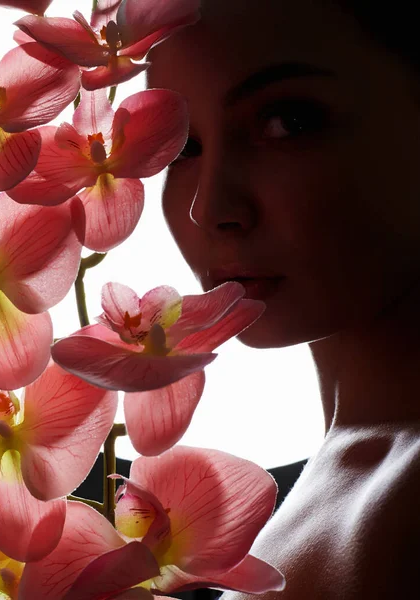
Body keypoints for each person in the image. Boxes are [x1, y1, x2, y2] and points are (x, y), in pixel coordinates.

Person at [144, 1, 420, 598]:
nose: (209, 207)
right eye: (180, 147)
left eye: (285, 123)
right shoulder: (348, 471)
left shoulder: (404, 499)